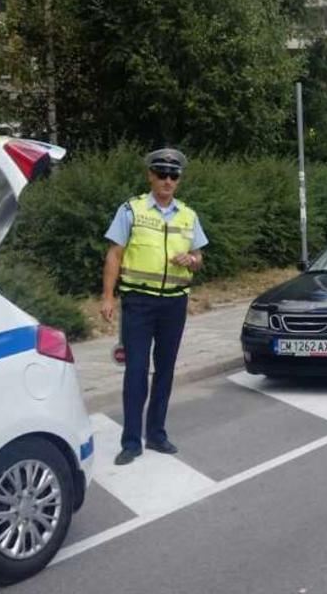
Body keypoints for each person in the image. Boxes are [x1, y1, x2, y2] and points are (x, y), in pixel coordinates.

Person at [101, 148, 208, 466]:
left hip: (174, 304)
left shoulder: (188, 215)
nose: (167, 180)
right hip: (138, 302)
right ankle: (131, 441)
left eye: (173, 176)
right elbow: (114, 255)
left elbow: (199, 257)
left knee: (165, 370)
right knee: (135, 370)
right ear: (150, 176)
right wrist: (108, 296)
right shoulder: (131, 210)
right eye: (161, 174)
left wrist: (192, 260)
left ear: (179, 180)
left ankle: (157, 434)